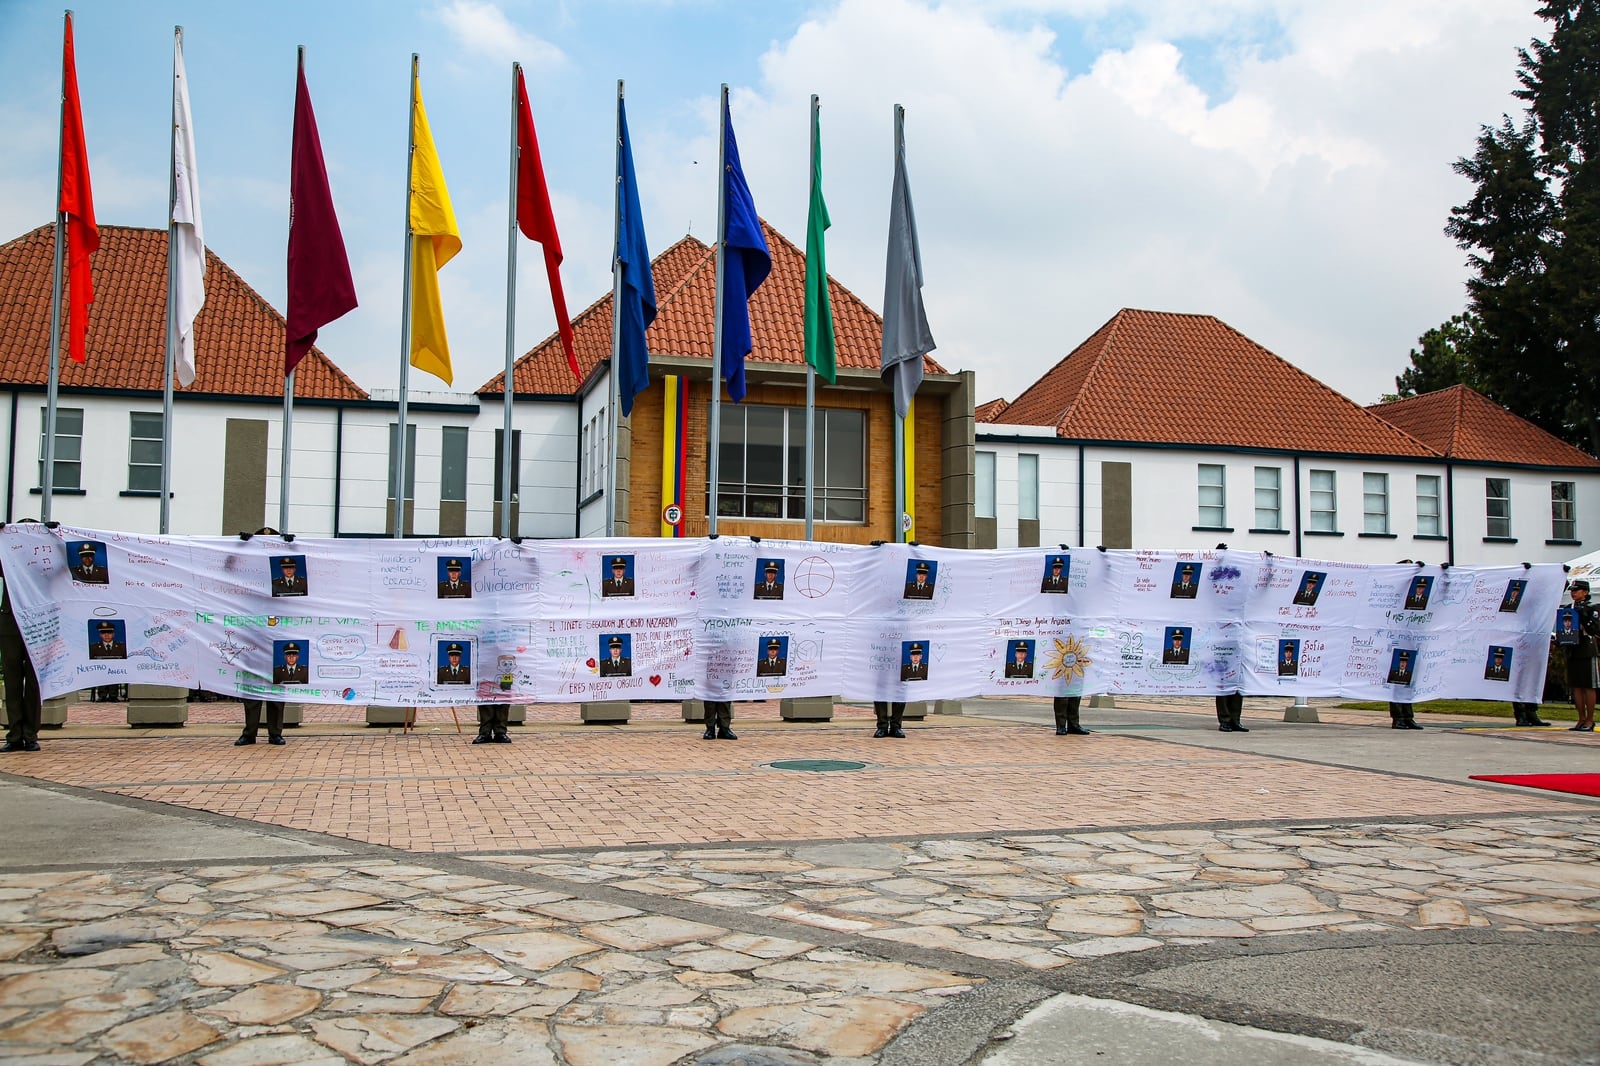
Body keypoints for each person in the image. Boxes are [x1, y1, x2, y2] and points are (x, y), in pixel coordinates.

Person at [0, 556, 42, 753]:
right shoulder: (8, 557)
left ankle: (30, 734)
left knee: (34, 682)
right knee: (12, 679)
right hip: (10, 621)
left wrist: (55, 536)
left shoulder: (42, 560)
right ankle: (14, 734)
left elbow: (61, 569)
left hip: (39, 622)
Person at [1564, 578, 1597, 731]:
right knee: (1576, 686)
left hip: (1586, 649)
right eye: (1572, 590)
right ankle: (1581, 719)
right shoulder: (1568, 607)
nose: (1573, 593)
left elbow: (1595, 630)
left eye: (1576, 590)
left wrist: (1584, 616)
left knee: (1589, 686)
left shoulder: (1592, 608)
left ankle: (1590, 720)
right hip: (1573, 649)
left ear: (1585, 592)